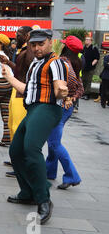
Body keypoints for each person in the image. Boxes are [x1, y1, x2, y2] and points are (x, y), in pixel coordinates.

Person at [2, 29, 69, 225]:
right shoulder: (35, 63)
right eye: (34, 44)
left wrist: (62, 91)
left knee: (31, 149)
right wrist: (9, 76)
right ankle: (28, 192)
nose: (37, 48)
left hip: (47, 108)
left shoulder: (56, 62)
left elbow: (59, 87)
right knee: (16, 150)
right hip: (33, 108)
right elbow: (27, 90)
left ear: (50, 43)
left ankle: (43, 200)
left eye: (41, 44)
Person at [46, 36, 84, 190]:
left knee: (54, 143)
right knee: (52, 141)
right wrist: (72, 98)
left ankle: (72, 176)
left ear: (65, 48)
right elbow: (80, 88)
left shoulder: (63, 63)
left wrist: (66, 96)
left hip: (60, 108)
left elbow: (73, 83)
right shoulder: (75, 63)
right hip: (66, 108)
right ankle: (49, 172)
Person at [0, 26, 34, 177]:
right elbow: (20, 71)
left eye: (18, 34)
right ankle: (16, 160)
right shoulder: (23, 51)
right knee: (12, 125)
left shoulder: (29, 52)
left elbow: (26, 73)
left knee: (18, 128)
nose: (15, 37)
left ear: (26, 35)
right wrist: (7, 62)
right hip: (17, 90)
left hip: (22, 93)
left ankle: (21, 164)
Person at [82, 35, 100, 100]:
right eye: (85, 39)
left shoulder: (94, 48)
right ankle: (83, 93)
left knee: (88, 81)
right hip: (83, 67)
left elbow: (97, 58)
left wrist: (92, 64)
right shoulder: (83, 48)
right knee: (83, 80)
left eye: (88, 39)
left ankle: (87, 95)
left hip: (90, 68)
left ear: (91, 41)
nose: (86, 40)